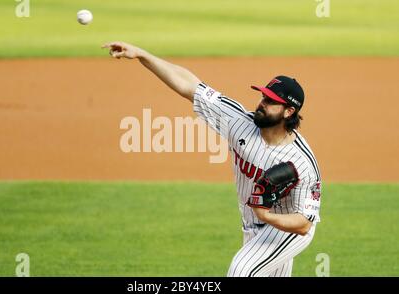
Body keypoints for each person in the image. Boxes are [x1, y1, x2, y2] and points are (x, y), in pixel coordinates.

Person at [102, 42, 322, 277]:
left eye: (270, 101)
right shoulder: (238, 121)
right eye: (263, 96)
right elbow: (190, 85)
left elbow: (304, 223)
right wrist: (142, 55)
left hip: (288, 231)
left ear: (288, 111)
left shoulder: (302, 162)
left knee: (241, 271)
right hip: (252, 226)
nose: (261, 103)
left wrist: (265, 215)